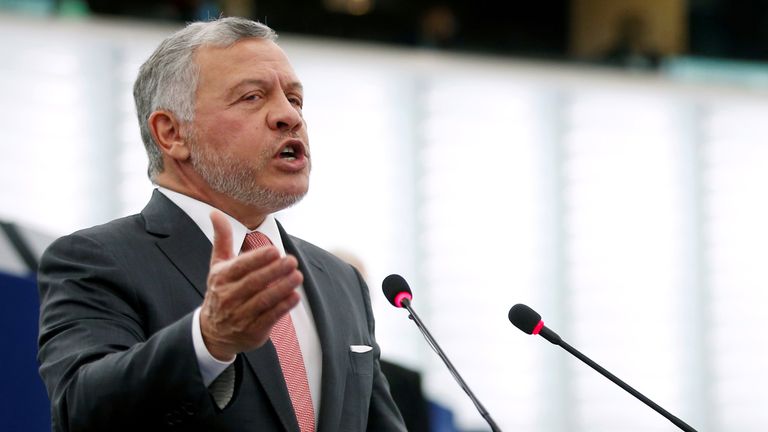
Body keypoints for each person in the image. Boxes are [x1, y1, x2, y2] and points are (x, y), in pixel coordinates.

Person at [37, 17, 406, 432]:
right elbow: (81, 411)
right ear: (171, 132)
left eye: (296, 99)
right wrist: (208, 340)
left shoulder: (341, 281)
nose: (289, 116)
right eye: (252, 97)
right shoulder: (97, 261)